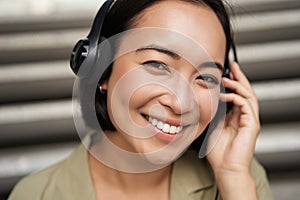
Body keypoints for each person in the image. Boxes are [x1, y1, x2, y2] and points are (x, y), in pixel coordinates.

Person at [9, 0, 273, 199]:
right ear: (100, 68)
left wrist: (234, 178)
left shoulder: (241, 177)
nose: (182, 103)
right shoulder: (36, 194)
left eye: (207, 78)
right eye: (158, 65)